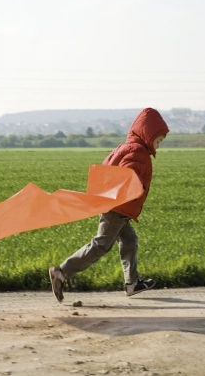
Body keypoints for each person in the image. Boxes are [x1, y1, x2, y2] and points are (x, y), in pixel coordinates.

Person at [49, 107, 169, 302]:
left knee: (129, 241)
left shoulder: (126, 147)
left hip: (117, 207)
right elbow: (127, 175)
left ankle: (132, 283)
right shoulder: (138, 151)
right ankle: (62, 272)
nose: (159, 145)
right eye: (159, 140)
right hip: (118, 207)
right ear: (148, 134)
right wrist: (138, 185)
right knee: (101, 245)